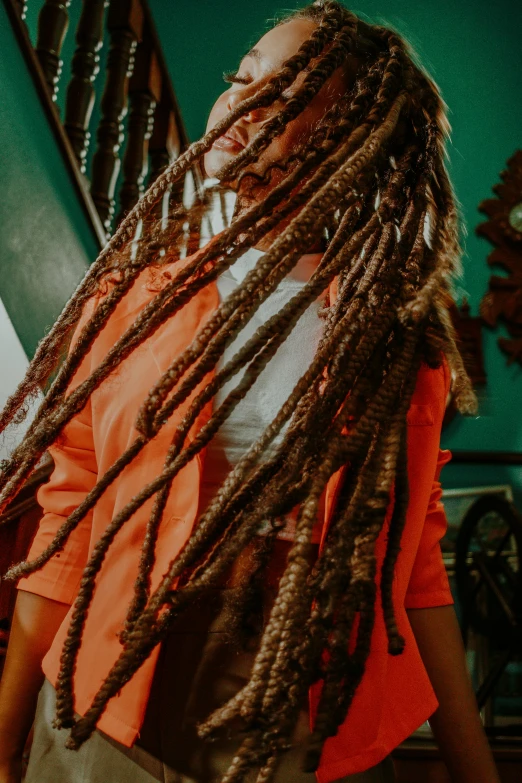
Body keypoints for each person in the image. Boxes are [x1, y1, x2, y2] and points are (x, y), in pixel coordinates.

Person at [0, 2, 500, 781]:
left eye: (288, 89)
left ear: (349, 138)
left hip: (302, 713)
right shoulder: (132, 305)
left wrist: (477, 769)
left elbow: (416, 557)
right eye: (242, 77)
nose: (240, 100)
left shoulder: (398, 343)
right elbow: (67, 523)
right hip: (100, 703)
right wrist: (3, 739)